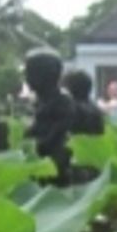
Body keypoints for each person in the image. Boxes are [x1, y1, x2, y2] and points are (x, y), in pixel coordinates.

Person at [23, 48, 74, 184]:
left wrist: (33, 146)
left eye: (30, 73)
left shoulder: (62, 102)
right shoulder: (38, 102)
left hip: (55, 161)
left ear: (47, 75)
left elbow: (57, 134)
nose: (26, 78)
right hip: (37, 159)